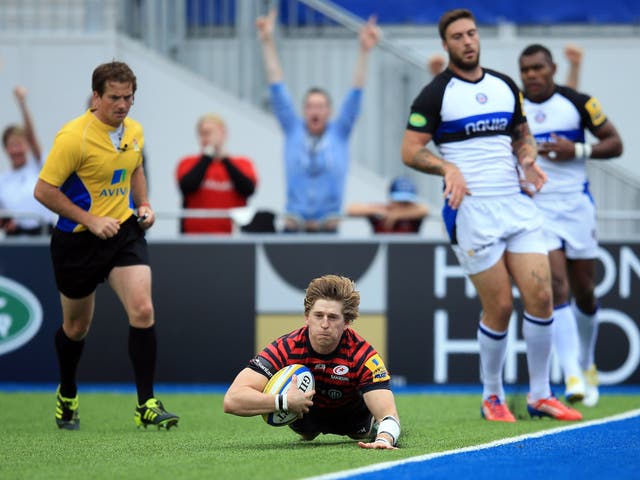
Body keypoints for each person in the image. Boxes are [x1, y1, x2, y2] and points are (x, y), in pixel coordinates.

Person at [400, 9, 582, 422]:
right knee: (499, 306)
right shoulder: (435, 94)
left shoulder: (503, 85)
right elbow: (410, 150)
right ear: (445, 45)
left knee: (541, 297)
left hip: (516, 206)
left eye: (472, 33)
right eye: (458, 36)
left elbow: (522, 135)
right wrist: (447, 167)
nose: (468, 41)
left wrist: (529, 157)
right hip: (472, 212)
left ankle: (540, 395)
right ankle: (492, 396)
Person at [33, 61, 179, 430]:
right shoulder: (73, 137)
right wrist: (91, 220)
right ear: (96, 97)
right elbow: (43, 191)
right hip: (77, 243)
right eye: (114, 97)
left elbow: (135, 168)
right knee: (76, 327)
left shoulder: (134, 130)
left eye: (129, 97)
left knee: (143, 309)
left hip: (123, 233)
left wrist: (143, 205)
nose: (123, 105)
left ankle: (146, 403)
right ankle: (67, 393)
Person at [519, 44, 623, 407]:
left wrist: (576, 151)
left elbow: (615, 143)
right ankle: (572, 374)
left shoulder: (579, 102)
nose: (532, 75)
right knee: (556, 286)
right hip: (539, 208)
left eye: (538, 68)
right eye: (525, 69)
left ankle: (586, 361)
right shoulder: (515, 108)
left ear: (552, 69)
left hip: (577, 207)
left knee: (585, 290)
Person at [224, 274, 400, 449]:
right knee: (307, 433)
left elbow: (389, 415)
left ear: (346, 321)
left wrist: (384, 439)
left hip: (352, 419)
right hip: (304, 417)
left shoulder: (364, 356)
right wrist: (284, 402)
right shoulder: (286, 348)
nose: (324, 324)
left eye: (332, 317)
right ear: (307, 317)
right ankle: (306, 424)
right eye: (318, 315)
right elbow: (232, 400)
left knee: (363, 432)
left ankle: (369, 429)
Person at [256, 9, 380, 233]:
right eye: (311, 106)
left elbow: (355, 95)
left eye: (321, 106)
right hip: (293, 226)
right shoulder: (293, 129)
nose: (316, 111)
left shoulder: (339, 132)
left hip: (328, 227)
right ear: (303, 110)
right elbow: (277, 88)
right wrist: (267, 41)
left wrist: (365, 52)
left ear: (329, 111)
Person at [176, 113, 258, 234]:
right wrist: (208, 155)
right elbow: (187, 186)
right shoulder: (187, 162)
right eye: (202, 133)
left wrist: (225, 159)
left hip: (231, 238)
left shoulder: (243, 163)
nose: (206, 138)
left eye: (209, 133)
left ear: (223, 133)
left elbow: (248, 189)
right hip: (194, 237)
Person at [0, 86, 56, 236]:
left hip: (43, 233)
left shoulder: (38, 165)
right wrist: (5, 223)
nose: (16, 150)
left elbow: (31, 135)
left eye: (19, 144)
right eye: (12, 145)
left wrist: (22, 104)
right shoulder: (3, 180)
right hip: (16, 237)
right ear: (6, 149)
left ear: (27, 146)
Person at [346, 176, 429, 233]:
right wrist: (382, 212)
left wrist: (398, 215)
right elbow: (352, 209)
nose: (402, 205)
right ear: (391, 199)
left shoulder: (414, 214)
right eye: (399, 201)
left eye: (406, 202)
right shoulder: (383, 210)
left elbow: (424, 210)